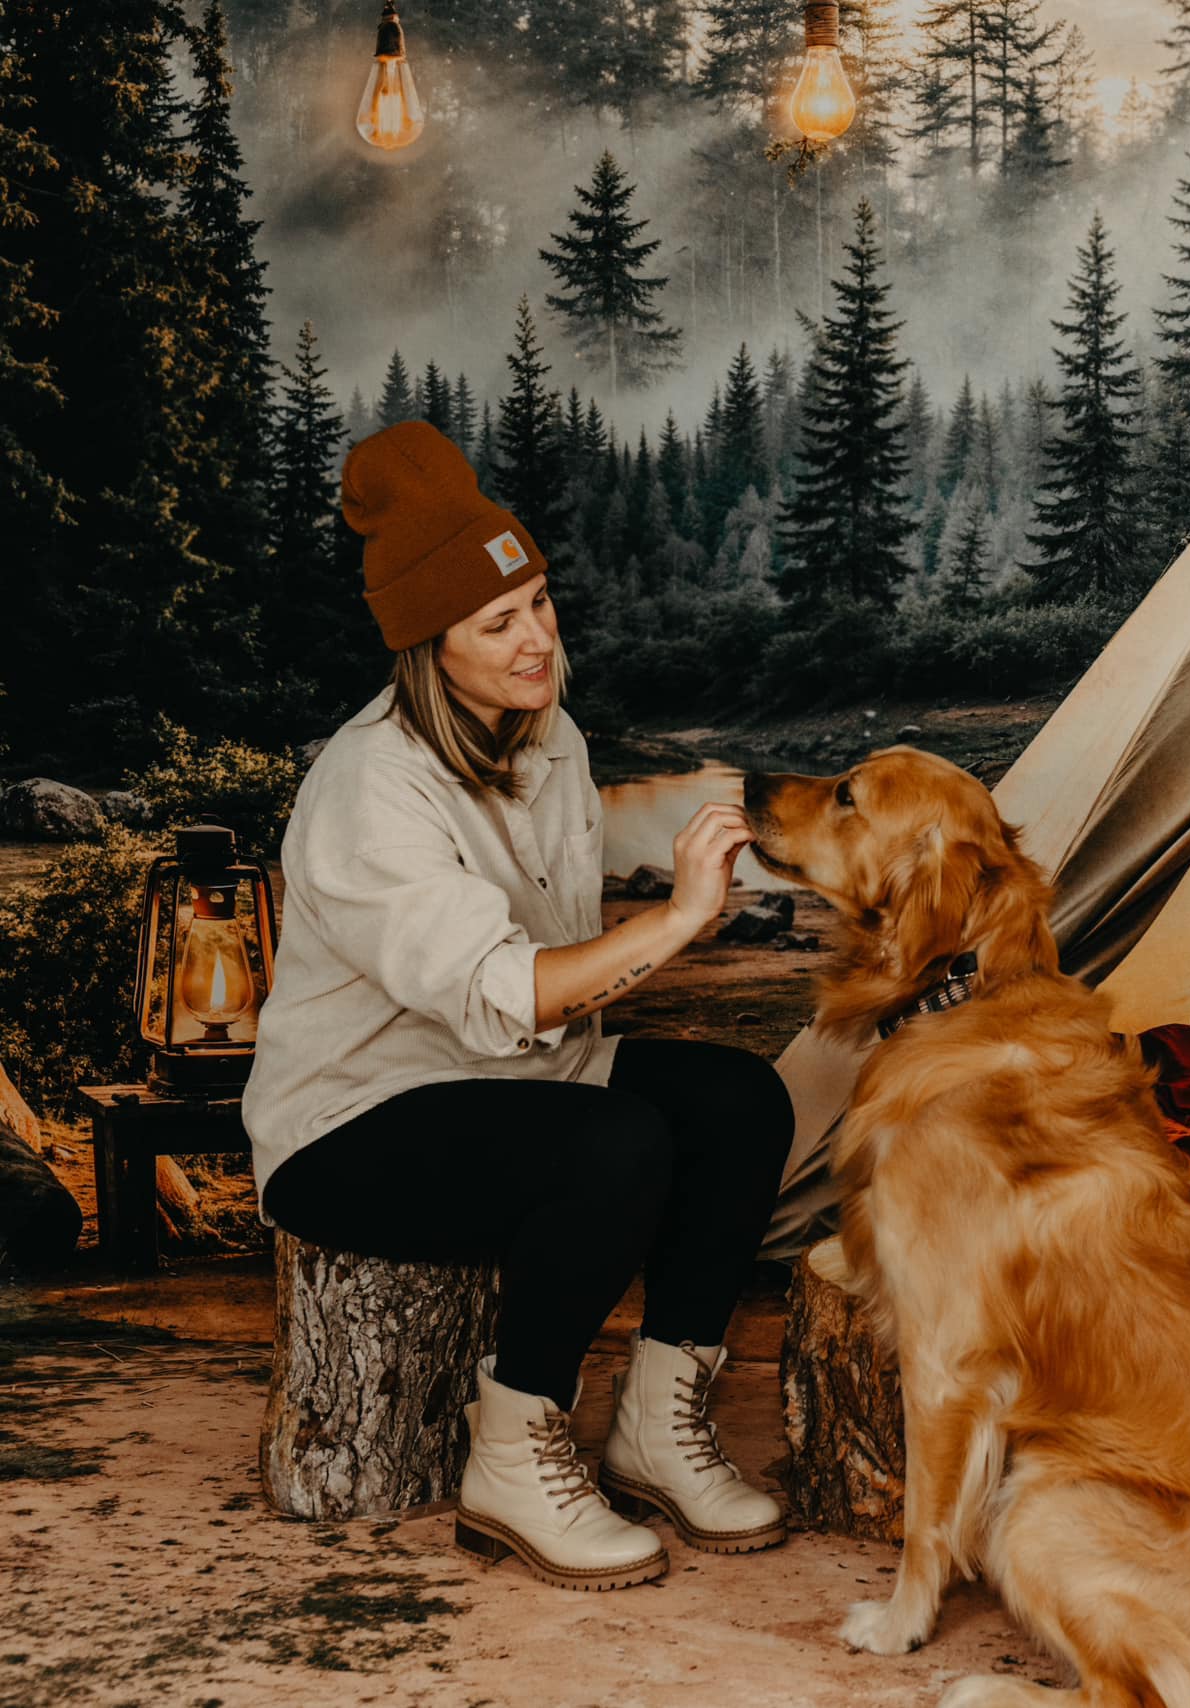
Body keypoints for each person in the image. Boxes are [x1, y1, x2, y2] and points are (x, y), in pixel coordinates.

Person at [242, 420, 794, 1593]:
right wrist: (681, 918)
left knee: (741, 1096)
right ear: (427, 649)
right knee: (617, 1138)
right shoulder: (368, 787)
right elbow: (502, 994)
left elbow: (553, 998)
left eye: (539, 602)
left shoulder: (551, 737)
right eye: (499, 623)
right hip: (353, 1123)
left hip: (513, 1086)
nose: (537, 639)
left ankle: (659, 1420)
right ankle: (514, 1449)